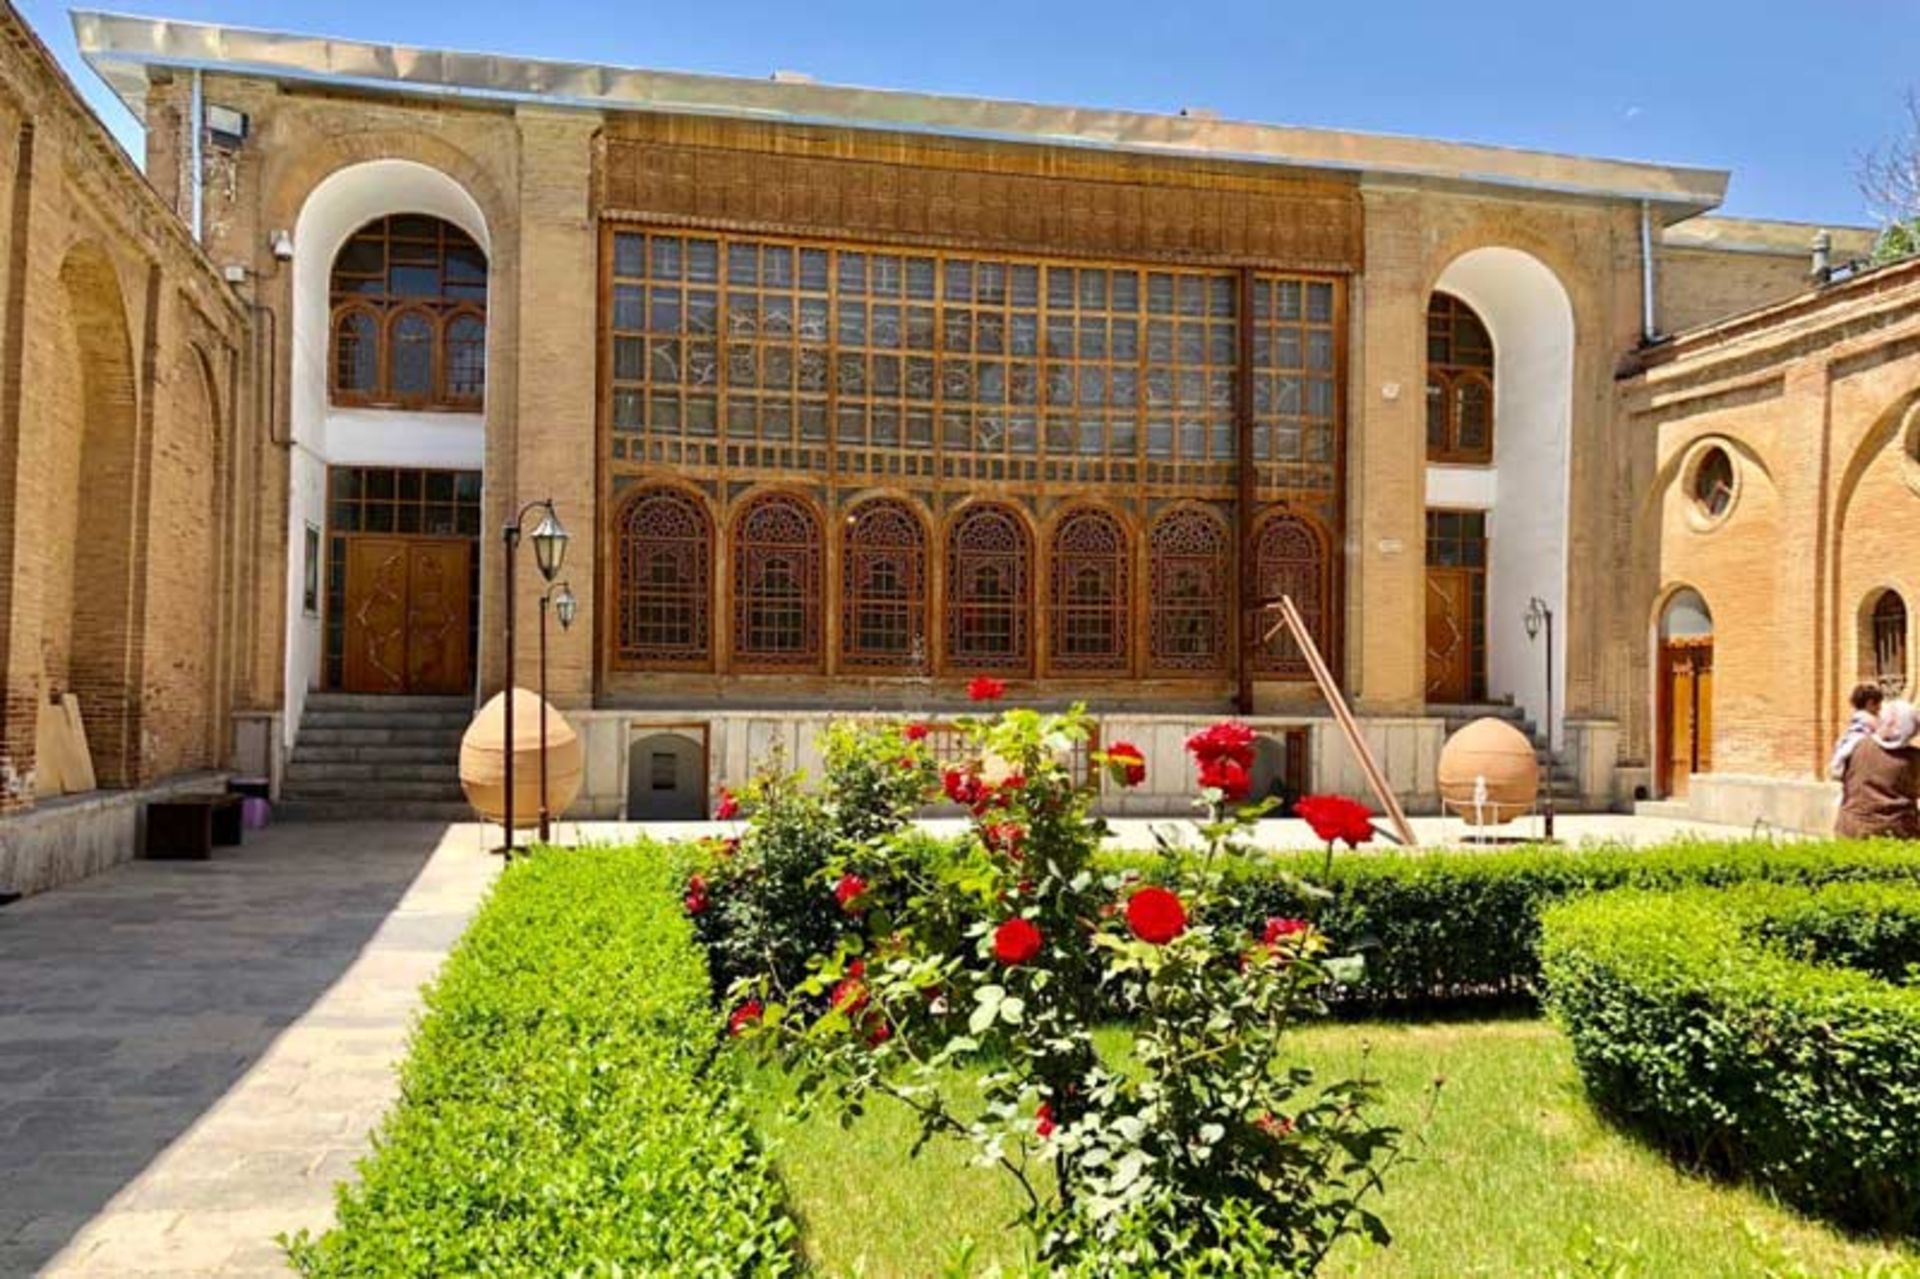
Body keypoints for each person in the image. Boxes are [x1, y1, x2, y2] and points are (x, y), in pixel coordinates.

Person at [1835, 699, 1920, 840]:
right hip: (1898, 833)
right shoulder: (1914, 759)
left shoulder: (1855, 746)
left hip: (1852, 829)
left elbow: (1837, 772)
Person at [1830, 683, 1885, 780]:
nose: (1880, 708)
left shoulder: (1853, 729)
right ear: (1870, 703)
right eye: (1879, 703)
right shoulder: (1863, 730)